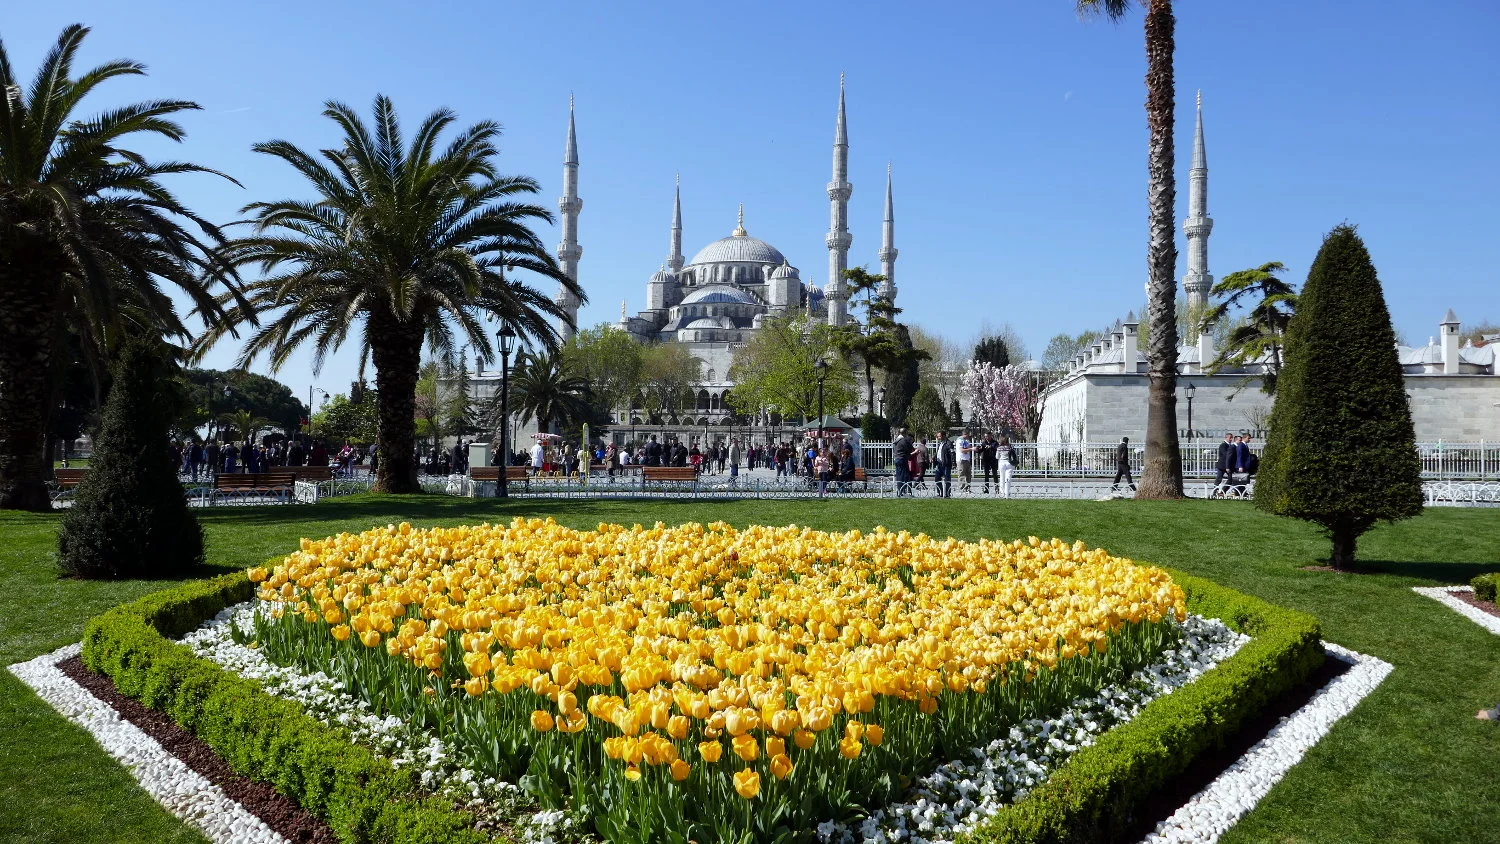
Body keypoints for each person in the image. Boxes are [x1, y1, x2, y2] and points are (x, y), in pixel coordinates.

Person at [891, 427, 914, 497]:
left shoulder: (896, 440)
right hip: (902, 459)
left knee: (900, 475)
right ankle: (902, 491)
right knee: (903, 476)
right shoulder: (904, 440)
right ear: (905, 433)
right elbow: (909, 449)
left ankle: (901, 490)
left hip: (897, 458)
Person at [932, 430, 954, 498]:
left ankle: (947, 494)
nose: (938, 438)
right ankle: (940, 493)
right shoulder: (940, 443)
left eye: (940, 436)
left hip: (946, 464)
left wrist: (953, 463)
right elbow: (938, 452)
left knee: (947, 479)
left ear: (944, 436)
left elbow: (952, 454)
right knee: (937, 478)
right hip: (939, 464)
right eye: (938, 436)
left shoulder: (948, 443)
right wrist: (934, 457)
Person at [1214, 432, 1234, 497]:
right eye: (1230, 438)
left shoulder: (1230, 445)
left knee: (1231, 478)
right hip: (1222, 465)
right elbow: (1226, 455)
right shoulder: (1223, 445)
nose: (1231, 439)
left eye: (1232, 438)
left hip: (1227, 465)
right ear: (1226, 437)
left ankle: (1224, 490)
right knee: (1219, 479)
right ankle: (1214, 492)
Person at [957, 429, 974, 493]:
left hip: (967, 459)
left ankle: (968, 488)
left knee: (968, 475)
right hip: (961, 459)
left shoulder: (967, 441)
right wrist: (971, 449)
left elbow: (969, 448)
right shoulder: (960, 440)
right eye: (968, 434)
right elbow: (961, 450)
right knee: (962, 474)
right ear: (966, 434)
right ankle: (962, 488)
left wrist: (974, 448)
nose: (969, 436)